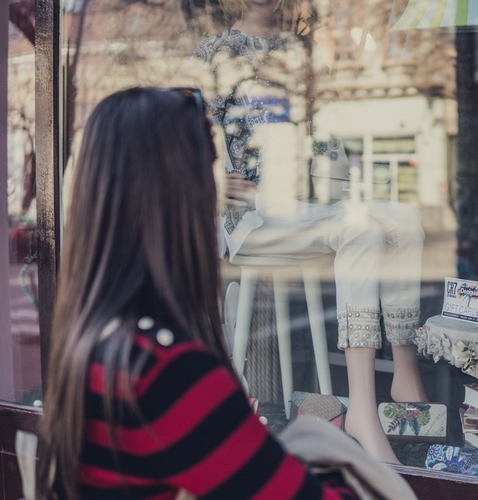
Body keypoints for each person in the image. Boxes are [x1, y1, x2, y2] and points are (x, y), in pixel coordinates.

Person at [37, 87, 365, 500]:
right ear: (182, 193)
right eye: (214, 168)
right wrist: (329, 454)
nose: (224, 190)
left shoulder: (93, 340)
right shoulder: (168, 372)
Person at [187, 0, 428, 463]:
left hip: (309, 202)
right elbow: (187, 139)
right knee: (361, 231)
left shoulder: (301, 52)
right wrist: (213, 182)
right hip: (253, 218)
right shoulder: (213, 53)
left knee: (404, 217)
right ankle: (361, 408)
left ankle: (405, 366)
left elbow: (328, 133)